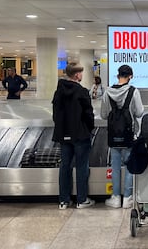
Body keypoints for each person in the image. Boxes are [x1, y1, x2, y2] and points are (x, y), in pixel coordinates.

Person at [52, 62, 95, 209]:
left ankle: (64, 200)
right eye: (81, 73)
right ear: (77, 75)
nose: (82, 75)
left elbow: (55, 114)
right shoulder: (82, 92)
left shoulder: (58, 92)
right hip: (80, 134)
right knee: (82, 166)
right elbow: (89, 114)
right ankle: (81, 200)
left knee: (65, 166)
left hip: (64, 134)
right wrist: (89, 129)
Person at [100, 65, 144, 209]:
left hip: (113, 135)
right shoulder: (133, 91)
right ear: (130, 76)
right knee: (130, 165)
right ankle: (128, 197)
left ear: (118, 75)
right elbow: (139, 112)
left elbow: (103, 114)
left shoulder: (107, 92)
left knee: (115, 166)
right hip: (129, 134)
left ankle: (115, 197)